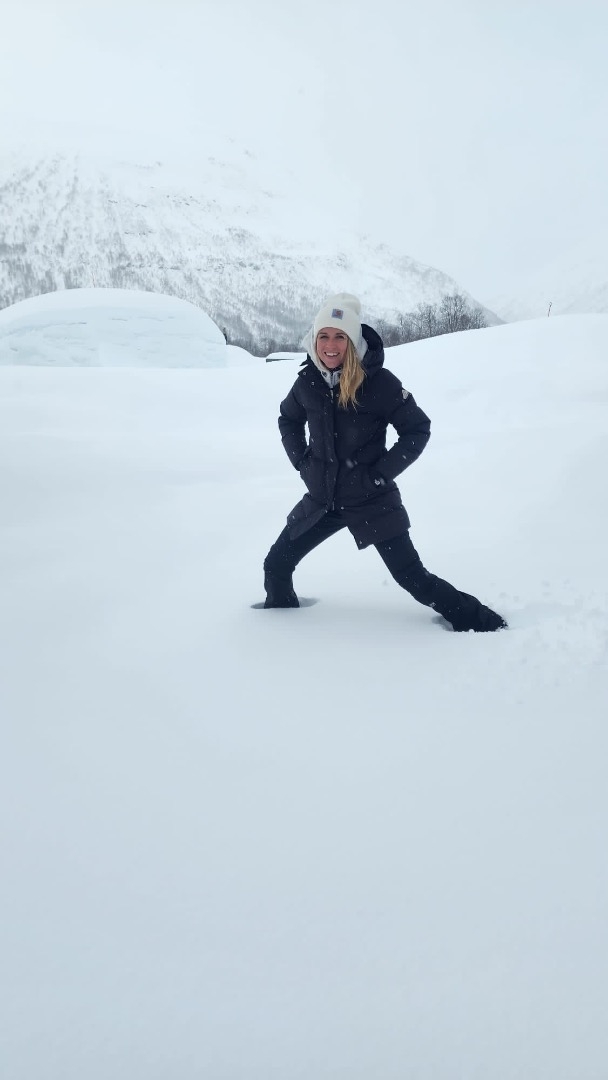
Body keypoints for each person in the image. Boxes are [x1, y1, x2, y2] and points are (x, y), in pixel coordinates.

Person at [263, 293, 507, 632]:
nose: (330, 345)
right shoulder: (308, 381)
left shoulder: (378, 382)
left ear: (353, 341)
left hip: (370, 500)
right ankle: (275, 631)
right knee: (276, 566)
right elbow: (288, 419)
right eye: (324, 336)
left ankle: (485, 624)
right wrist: (302, 462)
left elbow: (416, 429)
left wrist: (379, 475)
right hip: (322, 500)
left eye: (340, 337)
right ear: (314, 339)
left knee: (413, 578)